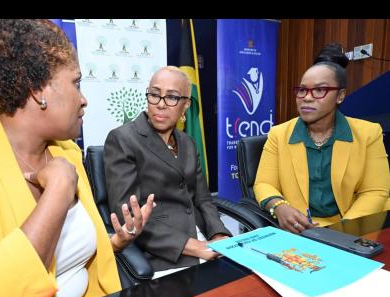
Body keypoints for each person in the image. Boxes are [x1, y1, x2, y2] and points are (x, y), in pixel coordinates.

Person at [0, 19, 155, 297]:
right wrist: (59, 193)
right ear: (38, 91)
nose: (84, 98)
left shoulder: (67, 151)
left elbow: (75, 256)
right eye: (76, 83)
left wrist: (116, 242)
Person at [104, 66, 232, 279]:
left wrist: (218, 234)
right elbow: (130, 217)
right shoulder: (123, 139)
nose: (161, 104)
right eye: (155, 94)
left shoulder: (188, 142)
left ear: (186, 106)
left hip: (203, 237)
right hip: (163, 252)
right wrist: (196, 246)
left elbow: (203, 198)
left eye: (172, 97)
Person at [254, 43, 390, 234]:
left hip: (353, 227)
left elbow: (375, 191)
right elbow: (263, 183)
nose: (307, 98)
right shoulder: (279, 134)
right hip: (301, 230)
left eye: (319, 90)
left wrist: (343, 230)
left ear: (340, 96)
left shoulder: (369, 134)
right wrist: (279, 206)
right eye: (302, 90)